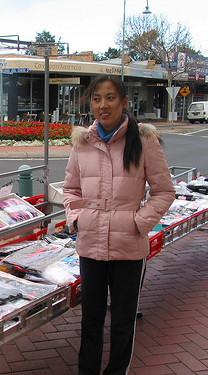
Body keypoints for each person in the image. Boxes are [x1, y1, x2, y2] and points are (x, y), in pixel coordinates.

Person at [63, 74, 175, 374]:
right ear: (90, 102)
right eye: (97, 98)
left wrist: (139, 223)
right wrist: (76, 218)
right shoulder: (82, 143)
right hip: (89, 245)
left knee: (123, 322)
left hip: (129, 244)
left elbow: (164, 191)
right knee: (91, 320)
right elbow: (71, 189)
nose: (103, 105)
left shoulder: (144, 140)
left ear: (124, 102)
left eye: (111, 97)